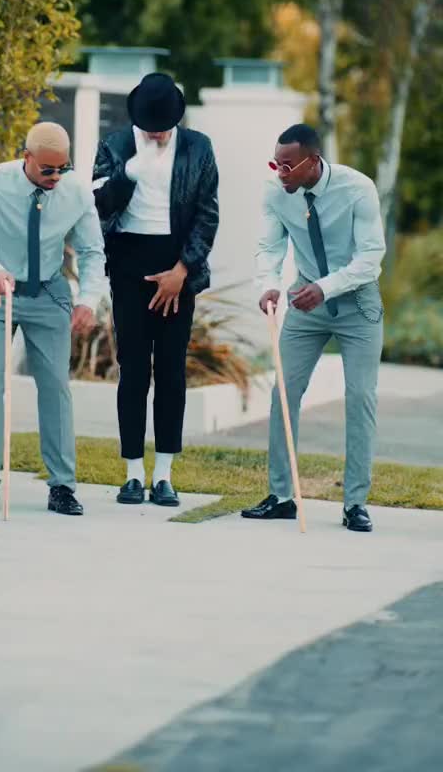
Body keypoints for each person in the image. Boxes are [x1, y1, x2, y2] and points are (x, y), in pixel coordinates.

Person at [241, 123, 385, 532]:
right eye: (275, 164)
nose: (280, 173)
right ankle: (281, 496)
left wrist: (325, 288)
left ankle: (355, 503)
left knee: (360, 397)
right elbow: (270, 247)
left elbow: (370, 258)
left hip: (357, 300)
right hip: (305, 299)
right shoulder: (276, 193)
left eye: (287, 166)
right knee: (283, 392)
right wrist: (269, 284)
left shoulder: (357, 189)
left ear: (313, 161)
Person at [0, 121, 105, 515]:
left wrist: (88, 300)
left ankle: (62, 487)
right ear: (27, 157)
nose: (56, 177)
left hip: (48, 291)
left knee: (56, 385)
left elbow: (92, 250)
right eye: (48, 169)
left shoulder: (77, 191)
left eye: (63, 168)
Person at [92, 73, 219, 506]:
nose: (157, 135)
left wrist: (182, 270)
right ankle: (132, 474)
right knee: (132, 369)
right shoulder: (114, 146)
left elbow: (207, 213)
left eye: (164, 128)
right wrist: (128, 172)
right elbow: (100, 206)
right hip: (128, 262)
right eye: (150, 128)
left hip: (177, 263)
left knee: (170, 370)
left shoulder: (198, 147)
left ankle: (164, 475)